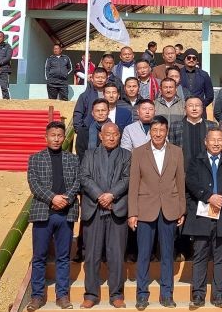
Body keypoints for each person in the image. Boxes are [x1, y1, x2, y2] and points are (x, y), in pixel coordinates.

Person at [129, 117, 186, 310]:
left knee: (167, 254)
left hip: (170, 209)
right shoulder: (138, 153)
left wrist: (181, 209)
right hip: (145, 209)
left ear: (167, 131)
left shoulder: (176, 152)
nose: (158, 133)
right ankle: (142, 295)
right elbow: (133, 184)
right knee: (144, 253)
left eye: (162, 130)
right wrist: (132, 212)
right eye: (155, 130)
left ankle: (166, 294)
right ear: (150, 131)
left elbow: (181, 182)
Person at [26, 121, 81, 311]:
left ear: (64, 137)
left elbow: (78, 181)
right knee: (39, 257)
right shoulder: (35, 158)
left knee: (63, 257)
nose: (56, 139)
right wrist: (53, 198)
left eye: (60, 135)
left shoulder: (73, 159)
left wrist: (66, 198)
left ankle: (62, 296)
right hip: (43, 213)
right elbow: (34, 184)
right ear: (46, 137)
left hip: (66, 213)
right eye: (53, 135)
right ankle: (37, 296)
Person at [184, 129, 222, 309]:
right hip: (202, 214)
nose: (216, 143)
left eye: (219, 140)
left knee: (221, 257)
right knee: (200, 255)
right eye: (212, 140)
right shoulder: (195, 161)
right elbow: (191, 182)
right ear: (205, 142)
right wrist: (209, 196)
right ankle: (198, 295)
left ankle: (218, 295)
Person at [79, 122, 131, 309]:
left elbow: (127, 178)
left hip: (116, 209)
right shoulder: (89, 154)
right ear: (100, 136)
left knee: (116, 254)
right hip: (94, 209)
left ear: (119, 136)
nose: (111, 137)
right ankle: (91, 294)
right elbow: (84, 177)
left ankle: (116, 294)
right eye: (107, 134)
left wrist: (111, 195)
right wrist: (100, 196)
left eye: (115, 134)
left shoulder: (126, 155)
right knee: (92, 254)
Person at [169, 97, 219, 163]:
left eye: (197, 105)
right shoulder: (175, 126)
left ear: (202, 108)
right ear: (185, 109)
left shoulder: (212, 126)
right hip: (183, 168)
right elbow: (171, 150)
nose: (194, 108)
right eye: (190, 106)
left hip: (206, 169)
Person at [180, 48, 215, 113]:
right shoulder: (178, 73)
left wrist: (200, 105)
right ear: (184, 59)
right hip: (181, 110)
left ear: (197, 61)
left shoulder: (204, 75)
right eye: (189, 58)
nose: (191, 60)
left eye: (194, 58)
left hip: (199, 111)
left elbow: (210, 96)